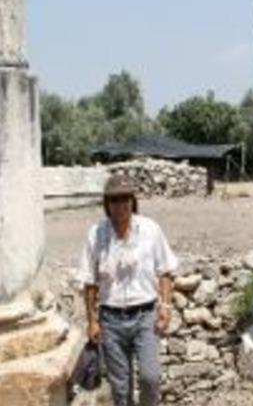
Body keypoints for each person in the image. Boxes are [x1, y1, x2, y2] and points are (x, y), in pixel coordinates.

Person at [77, 174, 178, 406]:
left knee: (150, 378)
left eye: (125, 198)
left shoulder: (150, 229)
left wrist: (165, 306)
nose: (120, 205)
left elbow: (165, 270)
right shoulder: (96, 234)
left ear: (133, 201)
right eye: (114, 200)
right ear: (106, 204)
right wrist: (92, 321)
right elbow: (89, 282)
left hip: (145, 317)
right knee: (121, 389)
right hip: (111, 320)